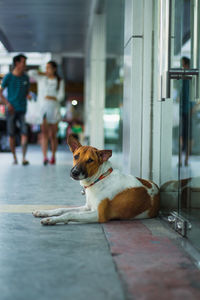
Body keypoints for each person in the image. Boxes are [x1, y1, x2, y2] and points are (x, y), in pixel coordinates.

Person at [28, 61, 65, 165]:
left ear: (54, 69)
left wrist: (52, 97)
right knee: (44, 134)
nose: (47, 69)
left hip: (54, 109)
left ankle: (53, 156)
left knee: (53, 134)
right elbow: (31, 72)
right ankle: (44, 157)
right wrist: (42, 73)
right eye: (46, 68)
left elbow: (61, 96)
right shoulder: (42, 78)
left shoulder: (59, 81)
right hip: (43, 109)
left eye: (49, 68)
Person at [0, 54, 30, 165]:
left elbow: (27, 92)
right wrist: (7, 104)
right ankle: (14, 157)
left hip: (22, 109)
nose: (25, 65)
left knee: (24, 133)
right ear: (17, 63)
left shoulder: (26, 77)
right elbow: (1, 92)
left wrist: (28, 96)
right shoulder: (8, 77)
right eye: (23, 62)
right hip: (11, 109)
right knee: (11, 134)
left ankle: (23, 158)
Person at [180, 57, 195, 166]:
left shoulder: (190, 77)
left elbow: (193, 94)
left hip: (188, 111)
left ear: (186, 65)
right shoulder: (182, 78)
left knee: (188, 136)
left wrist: (192, 107)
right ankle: (182, 159)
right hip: (183, 110)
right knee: (182, 135)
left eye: (182, 64)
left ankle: (186, 159)